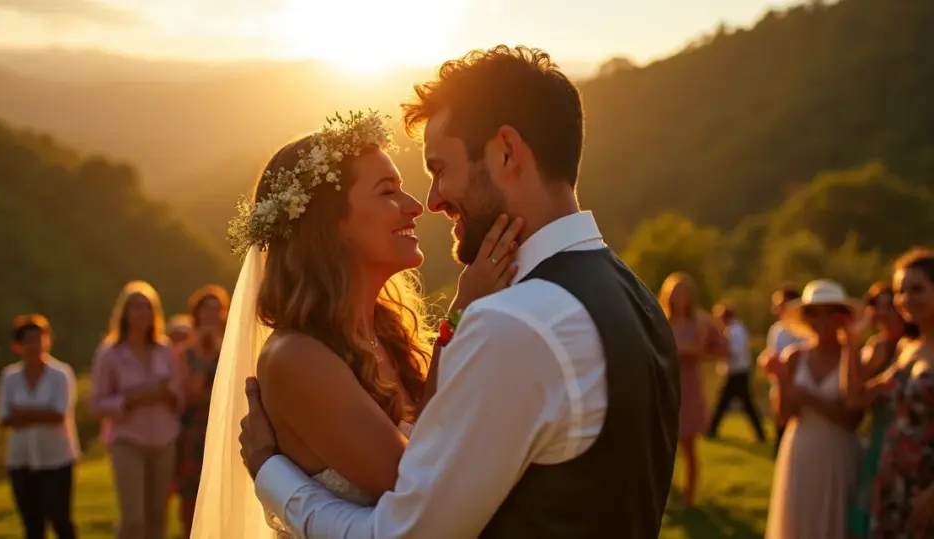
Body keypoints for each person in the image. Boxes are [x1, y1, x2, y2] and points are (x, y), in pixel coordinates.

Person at [224, 45, 680, 539]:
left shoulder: (515, 323)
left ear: (507, 152)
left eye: (439, 169)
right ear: (328, 228)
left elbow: (410, 519)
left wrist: (270, 471)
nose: (429, 201)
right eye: (390, 190)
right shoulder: (637, 301)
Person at [841, 249, 934, 538]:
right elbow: (856, 398)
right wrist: (850, 343)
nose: (905, 299)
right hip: (893, 476)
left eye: (916, 289)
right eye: (899, 291)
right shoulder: (907, 349)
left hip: (927, 483)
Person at [765, 279, 863, 539]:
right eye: (814, 312)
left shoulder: (853, 356)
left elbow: (851, 419)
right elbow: (782, 415)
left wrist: (808, 397)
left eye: (831, 312)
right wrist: (781, 379)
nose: (822, 320)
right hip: (800, 450)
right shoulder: (794, 356)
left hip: (838, 452)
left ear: (843, 317)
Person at [90, 280, 184, 539]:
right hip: (127, 441)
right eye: (136, 308)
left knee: (158, 516)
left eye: (147, 307)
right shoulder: (109, 353)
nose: (142, 313)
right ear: (124, 314)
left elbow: (178, 394)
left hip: (164, 440)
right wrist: (130, 398)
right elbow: (96, 403)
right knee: (133, 519)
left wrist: (166, 393)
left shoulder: (165, 350)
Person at [0, 314, 80, 539]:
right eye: (29, 340)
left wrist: (23, 413)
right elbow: (5, 418)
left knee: (61, 520)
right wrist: (40, 413)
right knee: (32, 525)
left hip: (57, 459)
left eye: (39, 339)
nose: (35, 345)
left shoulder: (60, 374)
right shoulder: (10, 377)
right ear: (18, 345)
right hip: (21, 460)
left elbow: (58, 414)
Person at [658, 273, 728, 507]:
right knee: (663, 447)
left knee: (688, 446)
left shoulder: (700, 322)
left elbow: (723, 348)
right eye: (676, 292)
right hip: (665, 388)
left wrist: (698, 353)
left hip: (689, 388)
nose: (681, 297)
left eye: (685, 292)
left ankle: (689, 496)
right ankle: (666, 492)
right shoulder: (660, 319)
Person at [174, 285, 229, 537]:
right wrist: (202, 350)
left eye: (216, 310)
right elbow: (190, 393)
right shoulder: (186, 353)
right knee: (191, 492)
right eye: (206, 310)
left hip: (224, 428)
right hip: (194, 431)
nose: (211, 315)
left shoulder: (231, 349)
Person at [707, 303, 766, 443]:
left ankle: (711, 430)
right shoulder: (735, 329)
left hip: (737, 372)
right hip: (737, 372)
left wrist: (716, 351)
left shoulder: (736, 331)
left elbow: (734, 353)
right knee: (744, 404)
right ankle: (760, 434)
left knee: (725, 403)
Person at [759, 288, 806, 455]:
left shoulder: (804, 330)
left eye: (781, 304)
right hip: (779, 389)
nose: (777, 309)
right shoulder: (776, 330)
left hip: (800, 391)